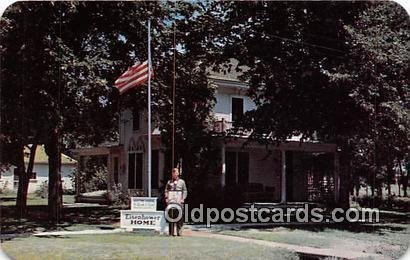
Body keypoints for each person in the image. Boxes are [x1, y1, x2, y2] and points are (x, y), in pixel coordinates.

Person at [165, 168, 187, 236]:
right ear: (172, 174)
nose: (175, 174)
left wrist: (183, 198)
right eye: (173, 173)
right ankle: (171, 232)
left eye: (176, 172)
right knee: (171, 216)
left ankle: (179, 232)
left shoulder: (182, 182)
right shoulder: (169, 182)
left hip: (179, 202)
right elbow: (166, 190)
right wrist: (166, 198)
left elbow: (185, 191)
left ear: (178, 174)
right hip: (171, 202)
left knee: (179, 217)